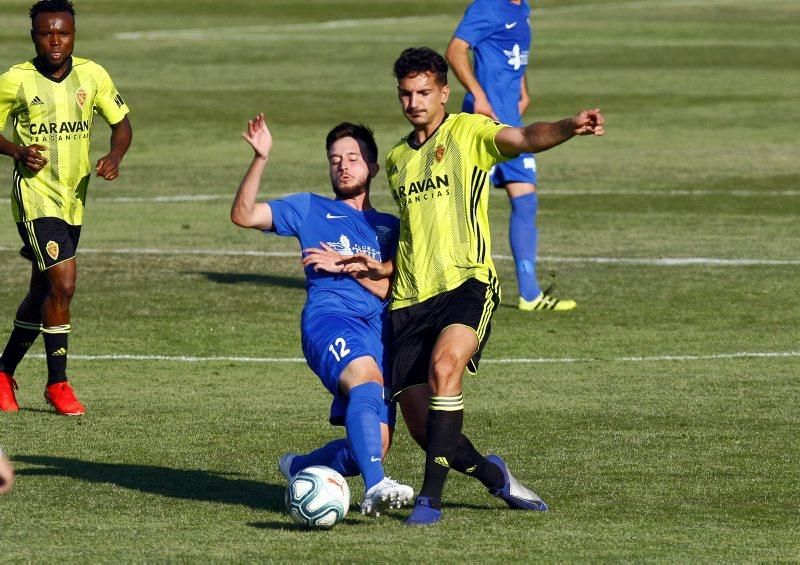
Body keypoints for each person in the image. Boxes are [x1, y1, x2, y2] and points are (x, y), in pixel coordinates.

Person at [376, 47, 603, 525]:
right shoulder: (397, 160)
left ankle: (429, 500)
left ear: (443, 92)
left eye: (424, 92)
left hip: (467, 283)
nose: (414, 101)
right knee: (426, 428)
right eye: (406, 93)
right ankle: (492, 475)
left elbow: (523, 136)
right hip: (410, 300)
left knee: (445, 367)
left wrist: (568, 127)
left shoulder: (468, 130)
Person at [230, 113, 414, 516]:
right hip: (330, 320)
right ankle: (377, 486)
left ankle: (300, 467)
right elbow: (243, 215)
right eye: (335, 159)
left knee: (373, 445)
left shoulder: (392, 228)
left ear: (373, 167)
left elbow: (391, 288)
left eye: (352, 157)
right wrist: (260, 158)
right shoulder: (309, 208)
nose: (343, 165)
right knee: (365, 382)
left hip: (379, 333)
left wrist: (351, 265)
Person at [0, 0, 132, 415]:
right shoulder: (15, 80)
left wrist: (115, 157)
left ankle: (3, 374)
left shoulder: (92, 75)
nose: (55, 41)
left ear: (73, 33)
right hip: (35, 197)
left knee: (45, 288)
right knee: (65, 283)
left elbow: (122, 125)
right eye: (46, 33)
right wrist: (16, 150)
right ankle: (58, 384)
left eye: (63, 32)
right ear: (34, 36)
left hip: (75, 199)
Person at [445, 0, 575, 311]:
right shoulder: (488, 7)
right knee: (463, 208)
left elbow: (513, 56)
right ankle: (447, 287)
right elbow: (455, 50)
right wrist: (478, 95)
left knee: (526, 200)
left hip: (513, 125)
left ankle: (529, 294)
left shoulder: (522, 8)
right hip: (483, 125)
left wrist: (523, 89)